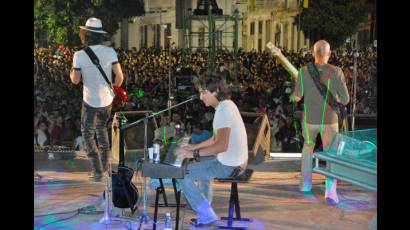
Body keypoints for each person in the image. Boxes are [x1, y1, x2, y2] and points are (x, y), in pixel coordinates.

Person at [175, 72, 248, 227]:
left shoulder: (223, 110)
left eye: (203, 92)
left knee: (181, 173)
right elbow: (215, 138)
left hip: (230, 165)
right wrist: (194, 147)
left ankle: (206, 214)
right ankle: (205, 207)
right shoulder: (226, 105)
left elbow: (221, 145)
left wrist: (193, 153)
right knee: (201, 161)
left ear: (215, 91)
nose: (201, 97)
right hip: (236, 161)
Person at [292, 40, 349, 204]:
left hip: (309, 121)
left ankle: (305, 185)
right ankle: (330, 192)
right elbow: (345, 99)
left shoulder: (303, 71)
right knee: (331, 154)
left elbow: (297, 96)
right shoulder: (337, 72)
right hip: (329, 121)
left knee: (308, 149)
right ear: (329, 54)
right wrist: (336, 98)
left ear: (313, 53)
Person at [70, 17, 124, 181]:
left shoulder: (79, 55)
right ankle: (104, 167)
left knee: (87, 135)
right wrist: (111, 90)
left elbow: (75, 80)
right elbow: (120, 77)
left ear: (85, 34)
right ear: (100, 34)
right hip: (106, 101)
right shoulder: (110, 52)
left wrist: (71, 70)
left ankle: (97, 170)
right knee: (102, 131)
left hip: (89, 101)